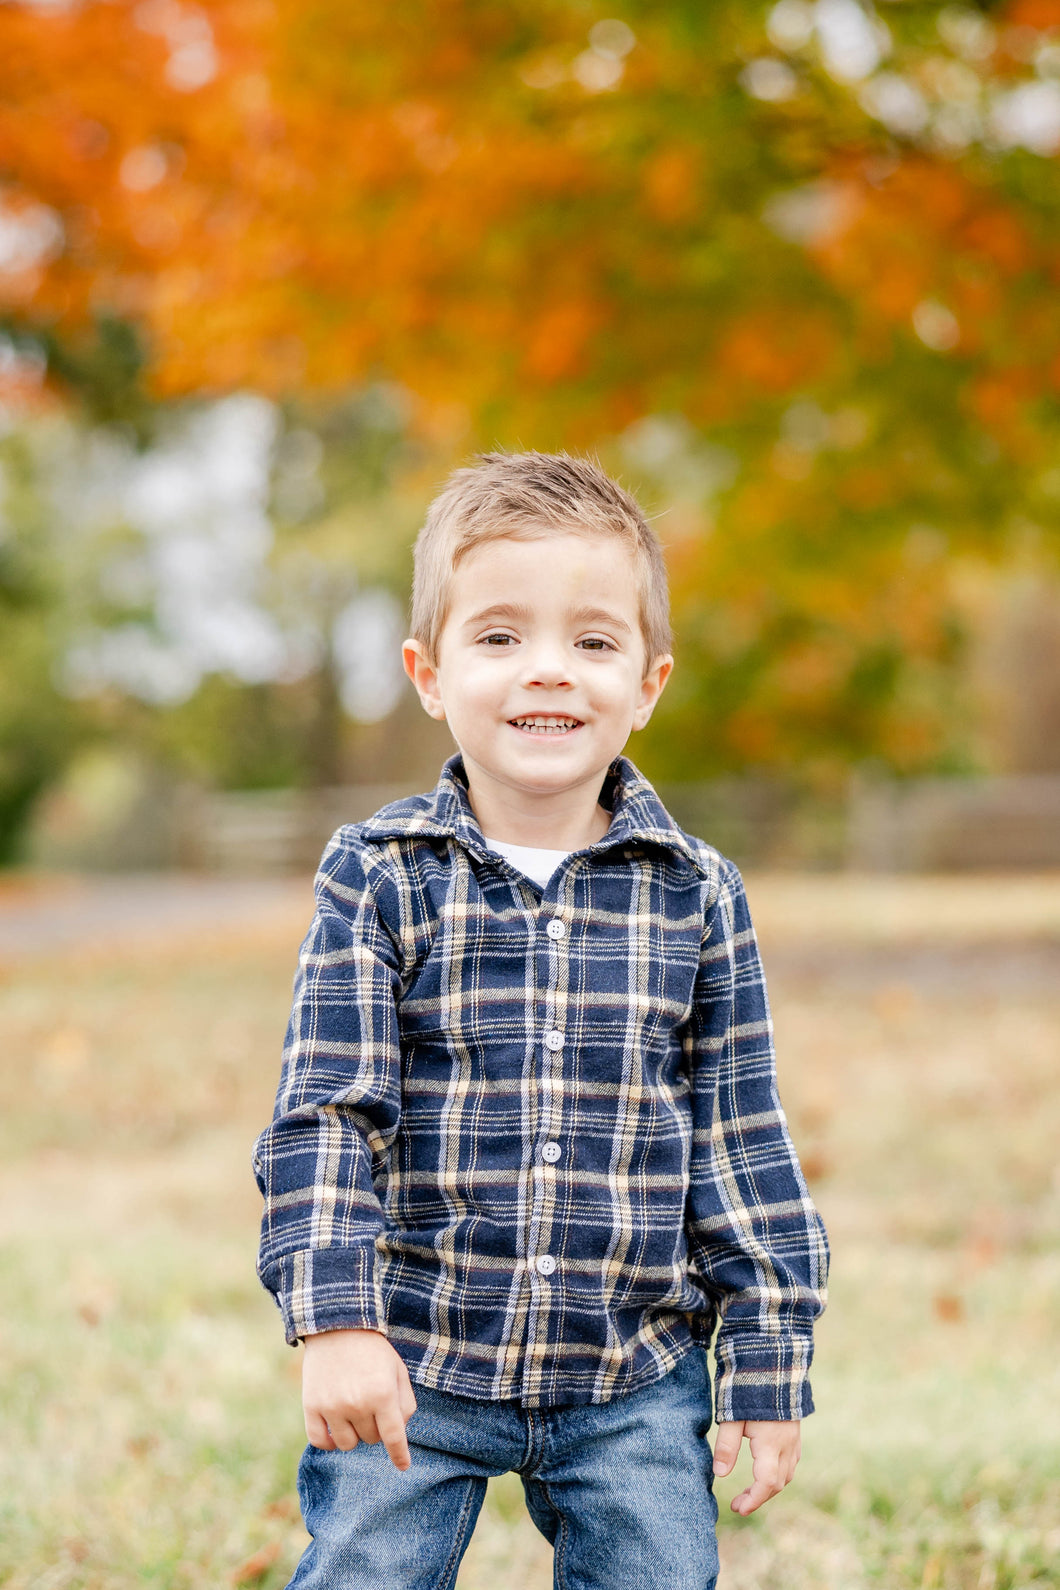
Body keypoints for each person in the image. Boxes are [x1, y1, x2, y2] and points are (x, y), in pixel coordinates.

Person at [252, 450, 829, 1590]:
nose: (548, 673)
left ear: (649, 682)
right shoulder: (380, 875)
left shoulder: (696, 892)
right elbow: (326, 1111)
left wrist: (765, 1368)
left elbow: (741, 1144)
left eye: (594, 641)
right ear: (428, 671)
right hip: (419, 1348)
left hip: (632, 1370)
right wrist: (336, 1321)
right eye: (501, 637)